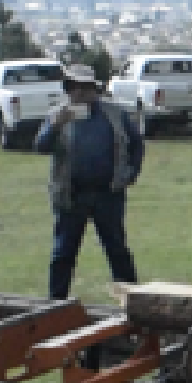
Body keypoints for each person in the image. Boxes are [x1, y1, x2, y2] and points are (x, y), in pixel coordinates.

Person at [34, 64, 145, 299]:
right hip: (72, 195)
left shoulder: (114, 113)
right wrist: (57, 125)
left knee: (117, 251)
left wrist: (131, 172)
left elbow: (137, 143)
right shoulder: (58, 114)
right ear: (68, 89)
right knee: (63, 253)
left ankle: (134, 303)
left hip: (108, 193)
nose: (81, 93)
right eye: (75, 87)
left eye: (86, 87)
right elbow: (40, 146)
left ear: (96, 89)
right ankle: (55, 306)